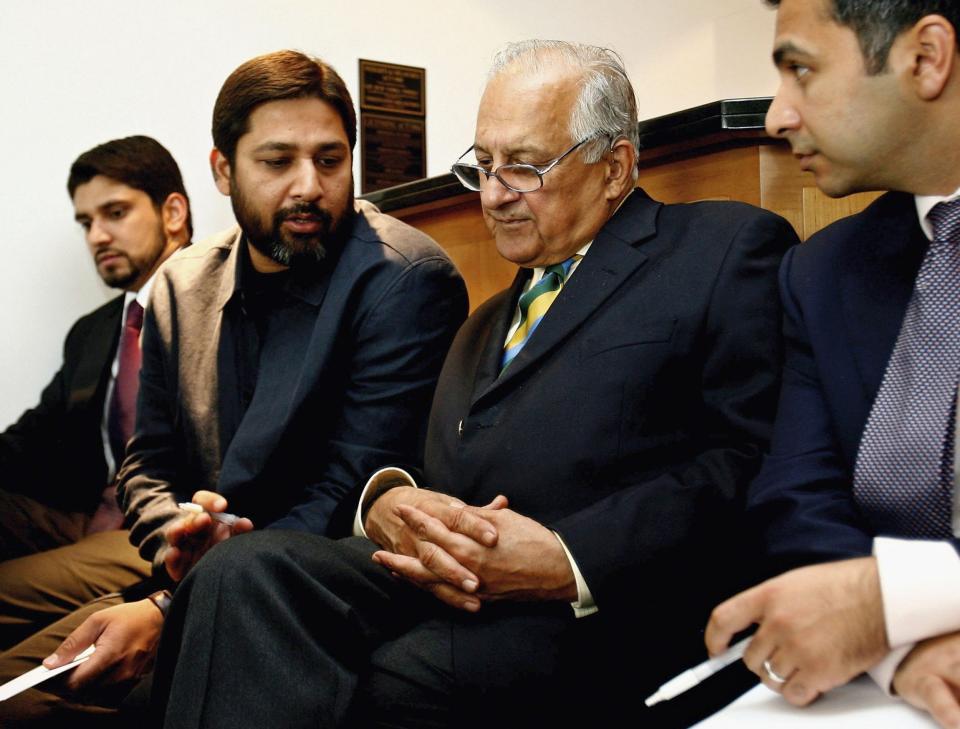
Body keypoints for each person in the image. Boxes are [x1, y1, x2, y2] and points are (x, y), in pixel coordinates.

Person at [150, 39, 798, 729]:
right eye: (483, 165)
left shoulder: (719, 249)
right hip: (458, 586)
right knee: (238, 573)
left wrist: (566, 558)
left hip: (603, 602)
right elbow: (434, 472)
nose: (493, 195)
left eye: (523, 168)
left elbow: (749, 458)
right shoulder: (484, 322)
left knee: (398, 678)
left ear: (614, 167)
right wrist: (385, 500)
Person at [0, 50, 467, 725]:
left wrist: (177, 600)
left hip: (298, 587)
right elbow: (146, 460)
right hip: (185, 570)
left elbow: (353, 487)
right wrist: (175, 534)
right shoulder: (181, 285)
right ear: (223, 170)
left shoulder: (402, 279)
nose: (308, 184)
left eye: (330, 160)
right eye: (278, 161)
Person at [703, 2, 960, 727]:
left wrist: (891, 603)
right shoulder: (821, 273)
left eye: (802, 71)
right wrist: (897, 650)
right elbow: (797, 506)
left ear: (926, 58)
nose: (777, 117)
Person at [0, 135, 191, 654]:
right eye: (86, 222)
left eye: (115, 212)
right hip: (82, 514)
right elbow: (31, 439)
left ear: (173, 212)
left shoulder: (221, 306)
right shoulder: (96, 330)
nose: (97, 236)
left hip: (157, 528)